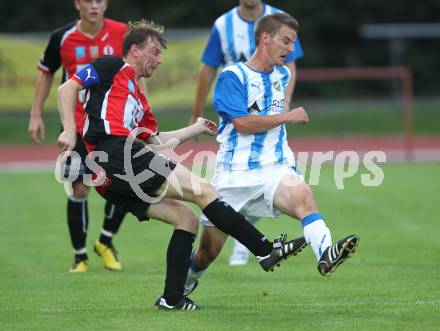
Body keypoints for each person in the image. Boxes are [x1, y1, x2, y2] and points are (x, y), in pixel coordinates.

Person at [56, 19, 307, 311]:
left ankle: (171, 298)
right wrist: (69, 130)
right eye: (154, 52)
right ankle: (266, 250)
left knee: (186, 219)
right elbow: (66, 89)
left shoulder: (138, 101)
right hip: (114, 153)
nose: (159, 60)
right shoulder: (113, 66)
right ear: (134, 50)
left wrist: (196, 128)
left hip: (109, 176)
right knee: (204, 190)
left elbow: (157, 140)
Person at [183, 13, 359, 296]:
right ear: (265, 38)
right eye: (286, 41)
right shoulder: (232, 77)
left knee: (304, 200)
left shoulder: (283, 74)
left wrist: (284, 119)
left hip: (275, 167)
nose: (290, 50)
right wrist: (288, 117)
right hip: (233, 175)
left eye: (293, 43)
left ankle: (326, 254)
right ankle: (185, 283)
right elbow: (242, 124)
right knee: (207, 252)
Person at [190, 0, 304, 266]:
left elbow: (291, 65)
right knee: (209, 242)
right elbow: (208, 68)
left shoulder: (279, 18)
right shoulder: (223, 24)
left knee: (272, 178)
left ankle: (247, 247)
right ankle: (183, 283)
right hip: (236, 113)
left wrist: (283, 106)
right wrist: (196, 112)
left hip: (270, 116)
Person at [28, 0, 128, 272]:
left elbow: (134, 73)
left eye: (99, 0)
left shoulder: (122, 33)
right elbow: (46, 73)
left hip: (112, 122)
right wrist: (36, 114)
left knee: (125, 183)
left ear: (106, 4)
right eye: (88, 0)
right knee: (79, 187)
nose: (94, 6)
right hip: (75, 124)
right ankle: (80, 257)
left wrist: (141, 109)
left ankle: (105, 241)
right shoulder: (62, 37)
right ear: (77, 4)